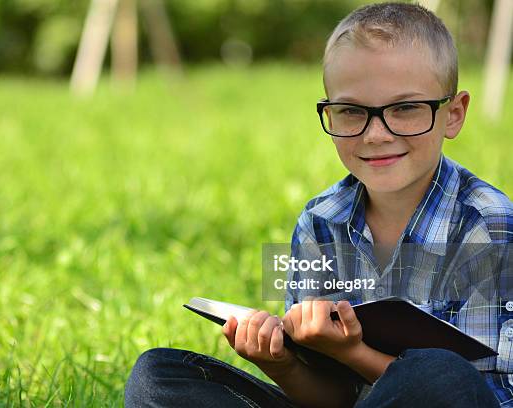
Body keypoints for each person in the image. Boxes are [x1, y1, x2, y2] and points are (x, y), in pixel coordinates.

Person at [124, 2, 513, 407]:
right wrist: (282, 364)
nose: (376, 134)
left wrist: (351, 353)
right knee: (157, 376)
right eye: (350, 112)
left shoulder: (487, 223)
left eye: (405, 108)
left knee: (439, 372)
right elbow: (332, 398)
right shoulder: (320, 221)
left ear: (453, 114)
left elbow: (482, 395)